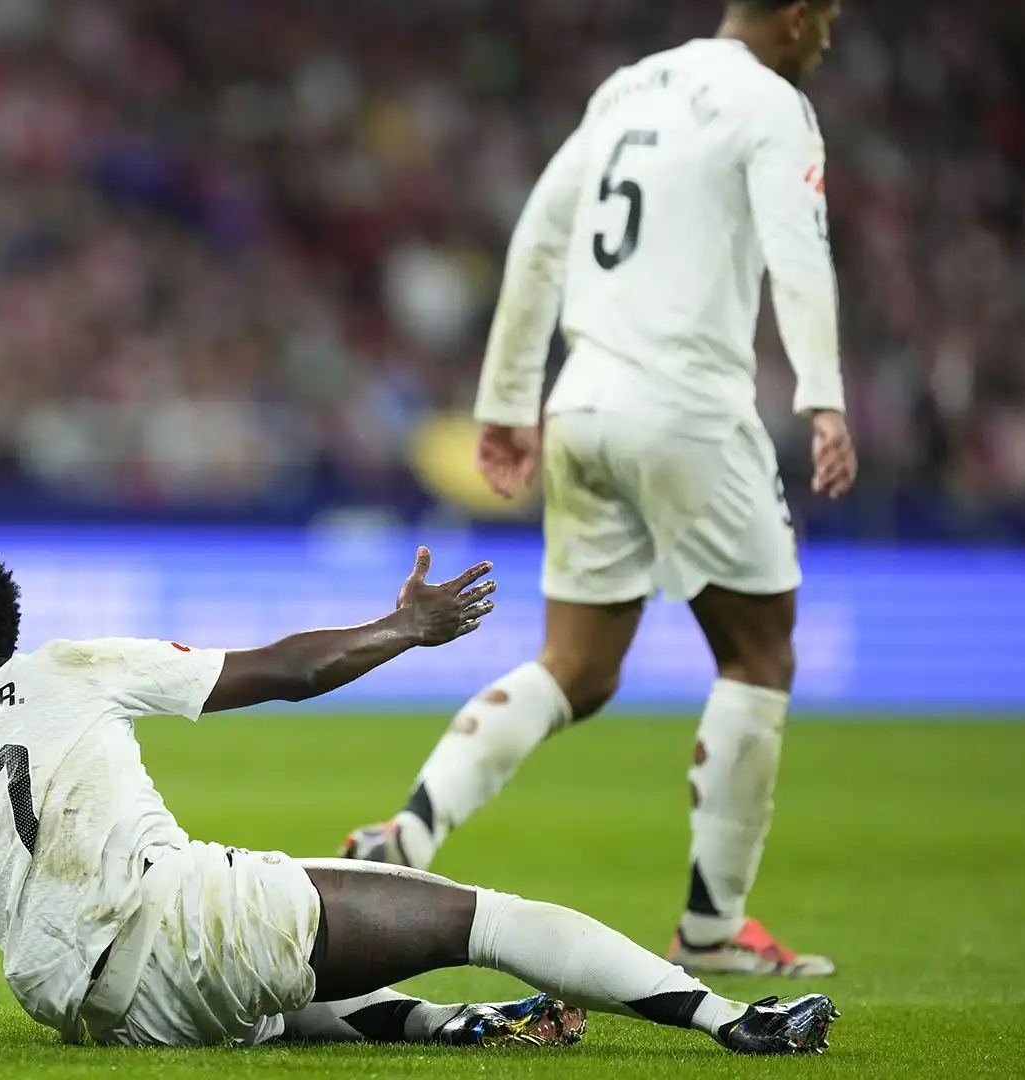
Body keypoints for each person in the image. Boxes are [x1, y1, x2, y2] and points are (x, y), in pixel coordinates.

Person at [342, 0, 853, 979]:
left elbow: (538, 236)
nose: (828, 37)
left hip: (581, 405)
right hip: (691, 408)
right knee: (759, 654)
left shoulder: (630, 87)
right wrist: (824, 396)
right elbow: (799, 247)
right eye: (825, 16)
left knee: (575, 666)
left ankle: (410, 830)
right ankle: (714, 926)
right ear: (794, 16)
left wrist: (505, 401)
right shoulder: (773, 104)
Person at [0, 548, 837, 1054]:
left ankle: (439, 1027)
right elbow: (285, 670)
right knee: (483, 919)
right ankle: (728, 1021)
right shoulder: (68, 665)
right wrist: (403, 626)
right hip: (188, 920)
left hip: (106, 1017)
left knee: (268, 1003)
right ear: (9, 630)